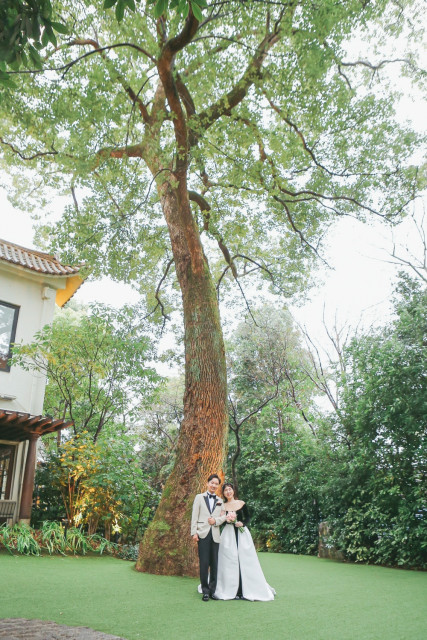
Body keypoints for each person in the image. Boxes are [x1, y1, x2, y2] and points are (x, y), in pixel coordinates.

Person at [214, 483, 275, 601]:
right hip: (228, 534)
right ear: (224, 493)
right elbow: (220, 520)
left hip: (242, 534)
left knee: (245, 558)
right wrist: (227, 519)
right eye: (226, 490)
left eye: (230, 489)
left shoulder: (241, 503)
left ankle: (246, 589)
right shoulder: (222, 506)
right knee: (229, 559)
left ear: (233, 491)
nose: (228, 492)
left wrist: (242, 523)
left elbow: (248, 517)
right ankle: (231, 589)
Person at [191, 474, 226, 601]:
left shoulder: (220, 501)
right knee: (204, 563)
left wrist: (215, 521)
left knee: (215, 564)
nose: (214, 485)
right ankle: (205, 591)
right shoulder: (199, 497)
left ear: (218, 486)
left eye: (216, 484)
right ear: (207, 483)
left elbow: (223, 517)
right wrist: (194, 532)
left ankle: (212, 591)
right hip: (202, 534)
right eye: (212, 483)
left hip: (215, 535)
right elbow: (194, 516)